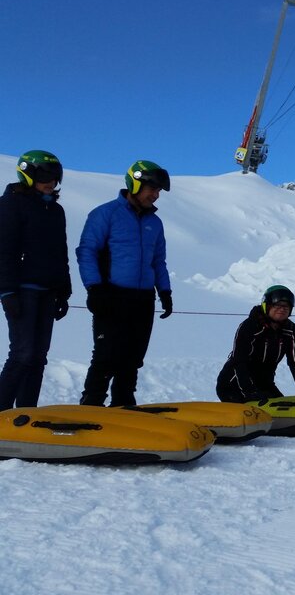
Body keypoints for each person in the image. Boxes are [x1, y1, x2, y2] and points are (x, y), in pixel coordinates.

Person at [76, 160, 173, 407]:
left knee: (133, 358)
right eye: (151, 188)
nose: (156, 195)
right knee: (106, 355)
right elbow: (87, 251)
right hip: (111, 295)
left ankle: (123, 404)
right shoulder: (105, 214)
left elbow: (158, 260)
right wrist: (94, 288)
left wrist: (165, 291)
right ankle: (91, 404)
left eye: (159, 190)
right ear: (135, 183)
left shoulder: (155, 223)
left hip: (142, 299)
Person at [0, 151, 71, 410]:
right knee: (22, 354)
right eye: (44, 175)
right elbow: (4, 250)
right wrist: (7, 292)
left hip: (48, 291)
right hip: (22, 291)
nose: (50, 181)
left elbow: (60, 252)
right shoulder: (10, 204)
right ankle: (1, 417)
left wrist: (64, 290)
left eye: (55, 176)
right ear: (27, 174)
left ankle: (26, 417)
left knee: (39, 357)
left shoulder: (55, 210)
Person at [215, 285, 295, 402]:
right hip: (233, 386)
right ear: (267, 306)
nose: (282, 309)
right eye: (277, 305)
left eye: (287, 306)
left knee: (283, 408)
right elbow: (239, 361)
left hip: (264, 385)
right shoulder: (250, 326)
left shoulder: (290, 330)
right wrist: (250, 392)